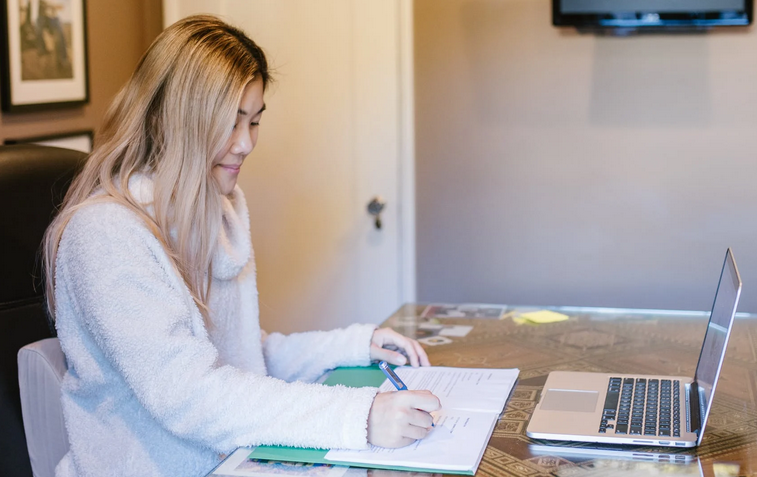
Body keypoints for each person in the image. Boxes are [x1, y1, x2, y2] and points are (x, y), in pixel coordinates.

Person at [43, 15, 440, 477]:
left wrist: (354, 345)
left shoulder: (217, 209)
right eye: (231, 123)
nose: (247, 143)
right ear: (176, 118)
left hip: (232, 460)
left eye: (254, 121)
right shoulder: (106, 235)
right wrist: (361, 417)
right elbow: (192, 395)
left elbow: (243, 357)